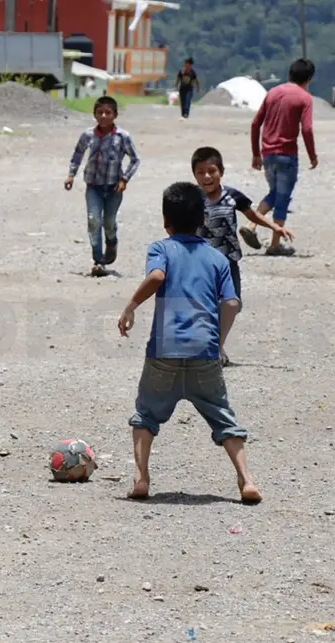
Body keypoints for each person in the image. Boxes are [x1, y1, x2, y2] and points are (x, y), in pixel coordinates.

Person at [117, 182, 262, 505]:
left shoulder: (161, 248)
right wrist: (219, 342)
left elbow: (156, 277)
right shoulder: (217, 259)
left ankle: (141, 479)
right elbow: (231, 304)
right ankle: (246, 479)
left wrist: (130, 307)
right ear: (203, 220)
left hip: (164, 352)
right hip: (204, 352)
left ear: (165, 220)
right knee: (223, 416)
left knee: (145, 415)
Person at [191, 146, 293, 365]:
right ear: (194, 175)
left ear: (221, 172)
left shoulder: (232, 195)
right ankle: (208, 348)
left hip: (228, 262)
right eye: (200, 172)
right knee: (204, 305)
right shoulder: (192, 199)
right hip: (201, 264)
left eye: (212, 171)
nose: (207, 176)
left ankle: (217, 345)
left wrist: (275, 227)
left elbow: (252, 215)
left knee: (232, 303)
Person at [244, 58, 318, 257]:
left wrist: (255, 153)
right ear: (309, 78)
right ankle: (274, 244)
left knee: (275, 194)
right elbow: (308, 128)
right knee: (282, 198)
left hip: (267, 154)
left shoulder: (273, 93)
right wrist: (313, 155)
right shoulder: (304, 98)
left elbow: (255, 124)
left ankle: (252, 225)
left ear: (289, 74)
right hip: (287, 155)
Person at [64, 96, 140, 277]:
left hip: (114, 188)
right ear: (94, 115)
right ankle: (98, 261)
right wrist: (71, 175)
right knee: (93, 220)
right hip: (94, 186)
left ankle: (111, 242)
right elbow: (77, 154)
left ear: (115, 115)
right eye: (100, 112)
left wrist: (124, 179)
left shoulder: (122, 137)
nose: (104, 116)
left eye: (108, 113)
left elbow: (135, 160)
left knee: (109, 222)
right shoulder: (88, 135)